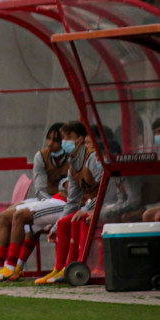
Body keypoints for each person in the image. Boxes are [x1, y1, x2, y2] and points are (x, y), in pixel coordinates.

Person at [0, 123, 68, 282]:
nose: (50, 143)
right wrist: (46, 205)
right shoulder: (41, 156)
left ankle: (12, 266)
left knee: (21, 217)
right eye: (48, 138)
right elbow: (40, 188)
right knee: (5, 216)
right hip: (47, 199)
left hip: (64, 202)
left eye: (56, 140)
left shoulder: (74, 158)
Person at [36, 120, 104, 285]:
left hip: (102, 205)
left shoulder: (92, 158)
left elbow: (106, 188)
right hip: (88, 206)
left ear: (80, 139)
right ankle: (60, 268)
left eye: (68, 137)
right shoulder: (73, 163)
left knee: (78, 219)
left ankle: (79, 267)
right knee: (65, 222)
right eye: (64, 138)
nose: (64, 142)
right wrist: (55, 227)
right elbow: (72, 201)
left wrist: (88, 208)